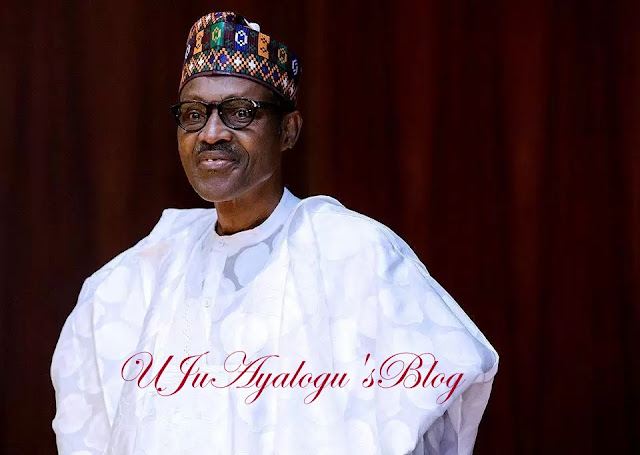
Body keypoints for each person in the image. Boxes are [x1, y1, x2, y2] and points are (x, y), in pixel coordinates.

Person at [51, 11, 498, 455]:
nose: (211, 133)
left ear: (288, 130)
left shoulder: (356, 256)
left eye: (239, 112)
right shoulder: (133, 282)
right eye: (193, 114)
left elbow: (444, 388)